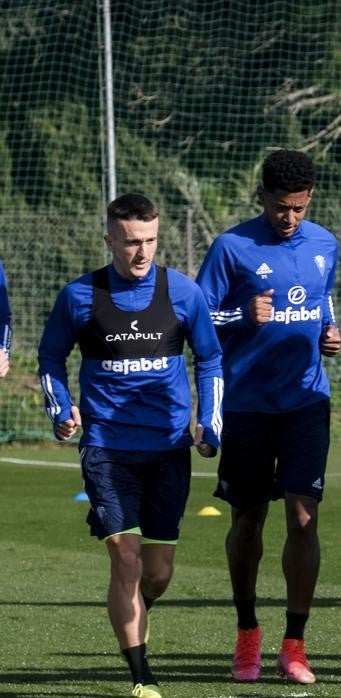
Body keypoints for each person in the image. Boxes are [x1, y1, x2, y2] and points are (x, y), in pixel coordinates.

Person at [38, 193, 223, 698]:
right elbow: (50, 358)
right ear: (110, 241)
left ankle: (135, 609)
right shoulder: (79, 296)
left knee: (157, 574)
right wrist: (60, 409)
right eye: (130, 243)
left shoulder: (183, 293)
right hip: (106, 447)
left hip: (167, 447)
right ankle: (142, 675)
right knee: (126, 557)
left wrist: (209, 422)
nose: (141, 252)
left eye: (150, 241)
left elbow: (210, 360)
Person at [196, 150, 341, 685]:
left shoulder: (326, 244)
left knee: (304, 517)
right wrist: (239, 314)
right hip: (246, 405)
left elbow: (322, 302)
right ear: (262, 196)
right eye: (282, 207)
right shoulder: (231, 247)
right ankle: (246, 633)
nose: (291, 218)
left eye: (300, 208)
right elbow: (198, 317)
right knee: (249, 520)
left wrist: (329, 332)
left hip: (307, 401)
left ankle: (295, 645)